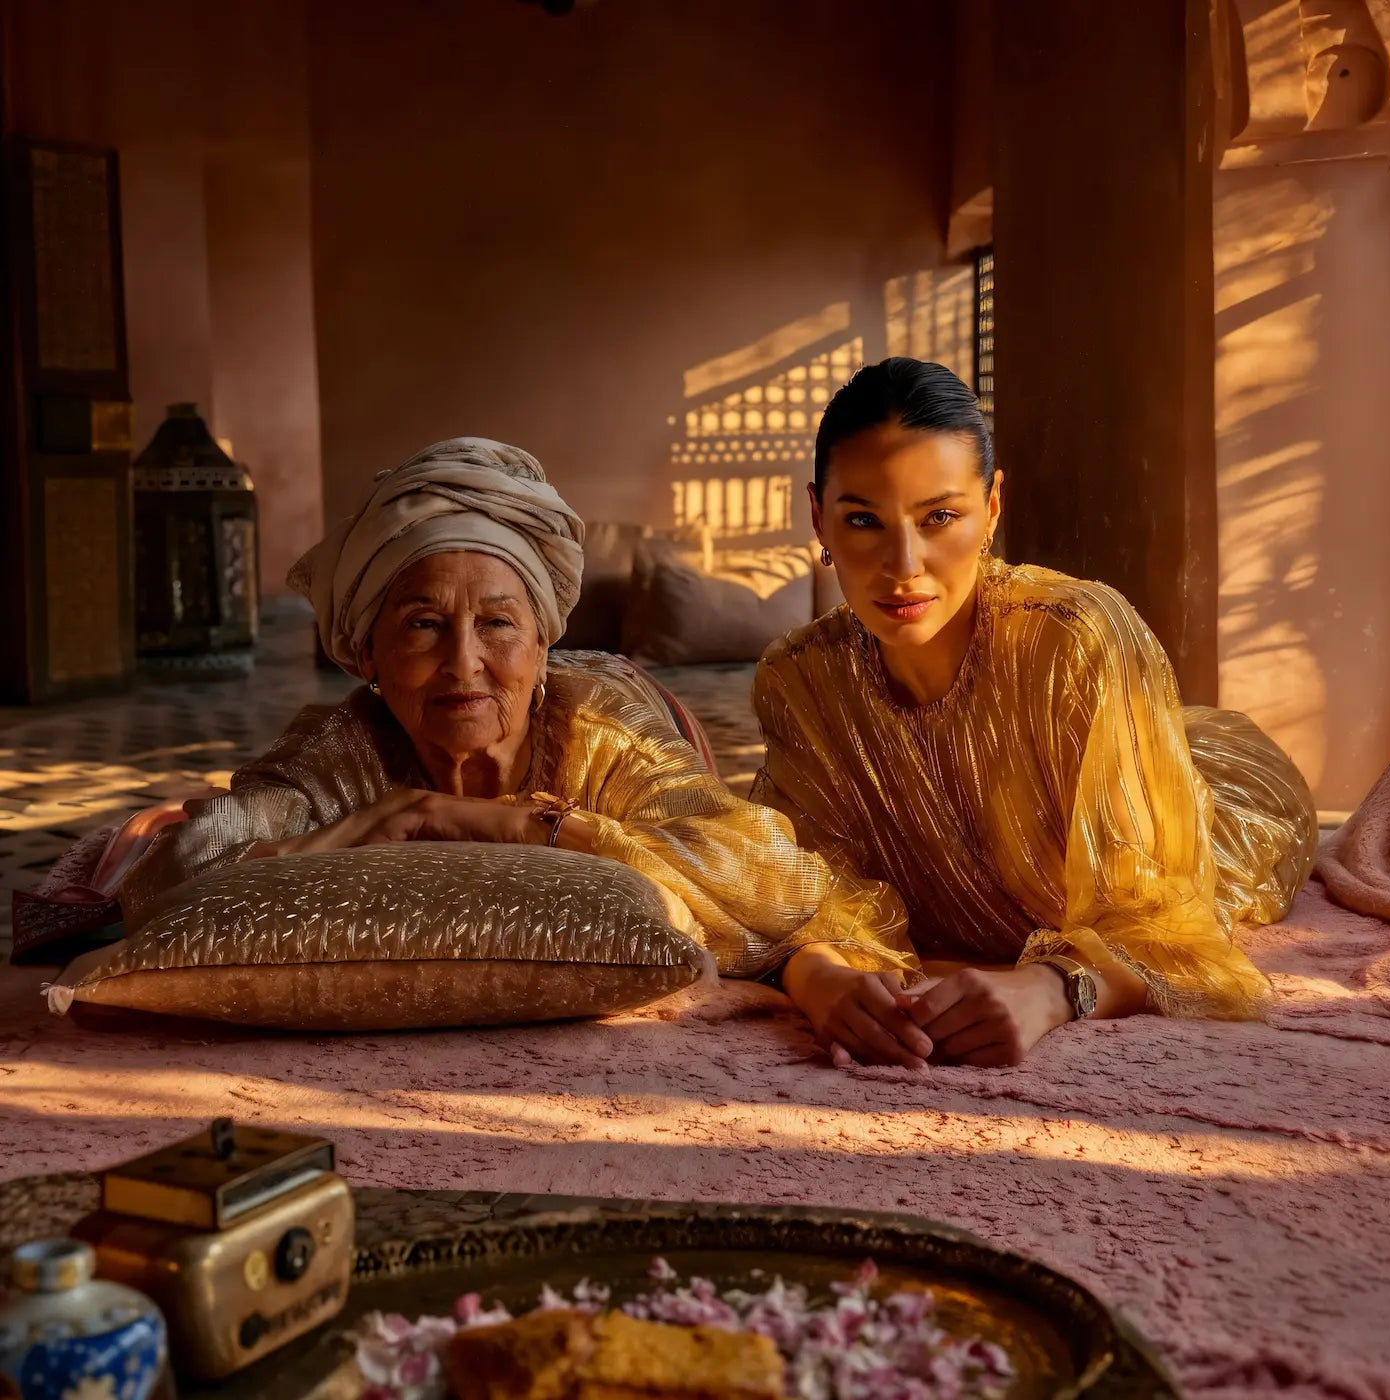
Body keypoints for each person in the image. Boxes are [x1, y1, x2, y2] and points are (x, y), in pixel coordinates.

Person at [121, 437, 909, 978]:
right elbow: (164, 889)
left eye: (498, 624)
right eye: (422, 625)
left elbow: (777, 880)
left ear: (542, 645)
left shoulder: (601, 727)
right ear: (366, 655)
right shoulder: (342, 750)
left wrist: (513, 825)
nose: (463, 663)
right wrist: (329, 842)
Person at [752, 359, 1317, 1069]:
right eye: (863, 520)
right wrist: (818, 979)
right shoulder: (801, 678)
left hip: (1223, 796)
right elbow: (793, 893)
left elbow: (1170, 918)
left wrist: (1053, 989)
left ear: (992, 507)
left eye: (940, 517)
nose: (904, 565)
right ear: (818, 516)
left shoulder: (1077, 638)